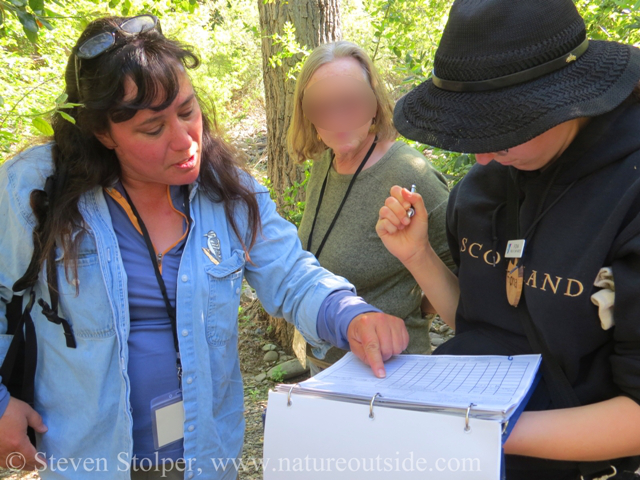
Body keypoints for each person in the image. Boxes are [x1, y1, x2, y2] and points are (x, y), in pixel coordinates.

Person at [0, 16, 410, 480]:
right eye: (153, 130)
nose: (184, 141)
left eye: (188, 110)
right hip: (89, 460)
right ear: (102, 133)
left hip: (203, 456)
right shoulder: (35, 191)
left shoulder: (229, 192)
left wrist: (352, 314)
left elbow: (292, 276)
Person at [377, 0, 640, 479]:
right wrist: (417, 255)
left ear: (564, 100)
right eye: (470, 134)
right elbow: (486, 322)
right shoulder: (483, 187)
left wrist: (479, 429)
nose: (479, 159)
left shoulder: (629, 194)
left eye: (500, 134)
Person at [288, 40, 453, 373]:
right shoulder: (326, 163)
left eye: (351, 101)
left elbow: (460, 266)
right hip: (329, 367)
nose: (338, 117)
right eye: (323, 105)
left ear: (374, 104)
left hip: (390, 372)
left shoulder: (408, 171)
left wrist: (416, 312)